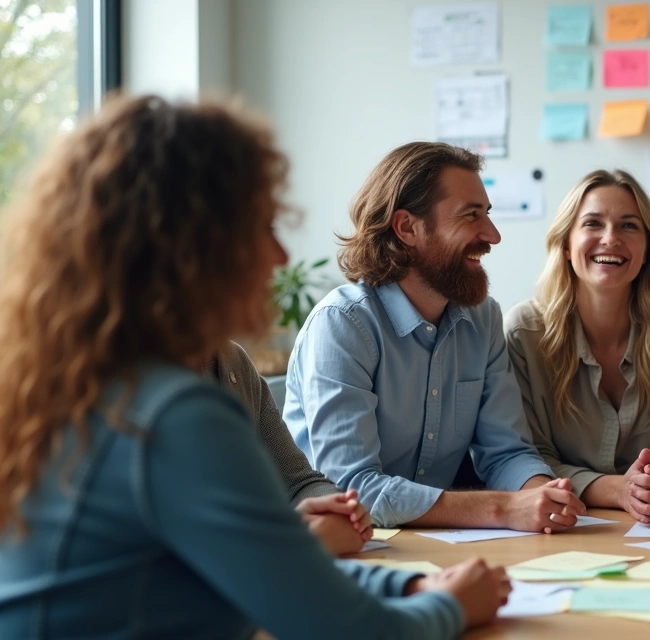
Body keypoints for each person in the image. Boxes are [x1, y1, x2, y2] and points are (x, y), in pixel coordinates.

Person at [0, 96, 509, 639]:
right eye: (263, 227)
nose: (281, 257)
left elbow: (266, 572)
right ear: (193, 248)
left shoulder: (99, 383)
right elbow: (347, 631)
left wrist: (406, 588)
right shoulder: (175, 414)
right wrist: (452, 604)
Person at [285, 141, 585, 530]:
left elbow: (506, 453)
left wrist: (545, 495)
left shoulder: (483, 318)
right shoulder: (342, 325)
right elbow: (351, 490)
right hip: (350, 552)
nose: (492, 235)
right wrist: (505, 510)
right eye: (470, 216)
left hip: (439, 543)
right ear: (407, 227)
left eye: (488, 214)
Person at [504, 170, 650, 523]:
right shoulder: (524, 331)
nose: (610, 238)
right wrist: (617, 490)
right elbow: (528, 459)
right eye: (592, 223)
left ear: (648, 249)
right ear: (566, 245)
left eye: (629, 226)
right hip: (568, 520)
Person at [212, 340, 373, 555]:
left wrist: (337, 509)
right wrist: (287, 536)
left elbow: (298, 482)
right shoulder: (159, 382)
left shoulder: (235, 361)